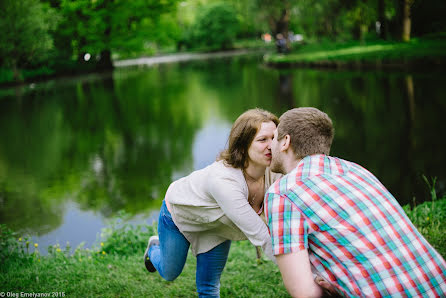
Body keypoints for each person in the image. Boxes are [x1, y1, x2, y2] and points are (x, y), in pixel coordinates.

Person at [265, 107, 446, 297]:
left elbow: (304, 293)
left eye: (274, 137)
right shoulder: (355, 170)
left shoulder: (283, 193)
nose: (270, 146)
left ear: (285, 142)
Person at [144, 108, 282, 297]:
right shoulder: (224, 181)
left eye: (274, 138)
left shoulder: (276, 172)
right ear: (242, 146)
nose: (271, 146)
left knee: (209, 286)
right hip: (180, 215)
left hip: (217, 226)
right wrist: (303, 276)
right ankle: (154, 248)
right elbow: (262, 235)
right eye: (262, 139)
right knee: (170, 272)